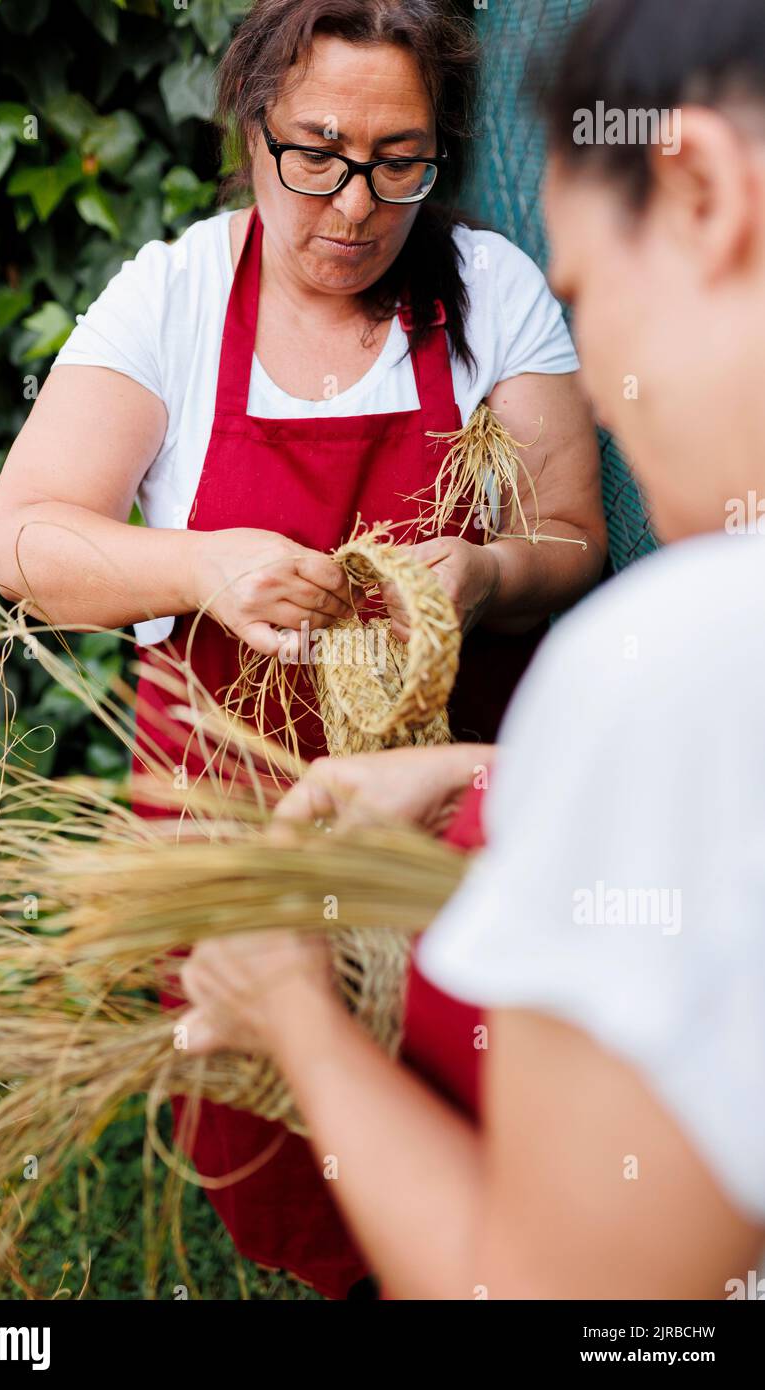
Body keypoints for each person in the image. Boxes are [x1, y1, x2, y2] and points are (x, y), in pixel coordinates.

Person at [0, 0, 605, 1297]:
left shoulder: (490, 290)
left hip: (440, 799)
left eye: (397, 160)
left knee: (472, 1097)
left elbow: (567, 535)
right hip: (235, 806)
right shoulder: (174, 294)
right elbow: (22, 535)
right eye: (314, 152)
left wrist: (487, 572)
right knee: (283, 1129)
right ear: (250, 128)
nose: (354, 203)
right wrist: (201, 563)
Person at [177, 0, 765, 1299]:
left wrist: (295, 1021)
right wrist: (491, 782)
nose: (599, 375)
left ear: (705, 194)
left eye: (587, 291)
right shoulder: (179, 292)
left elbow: (551, 1294)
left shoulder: (682, 642)